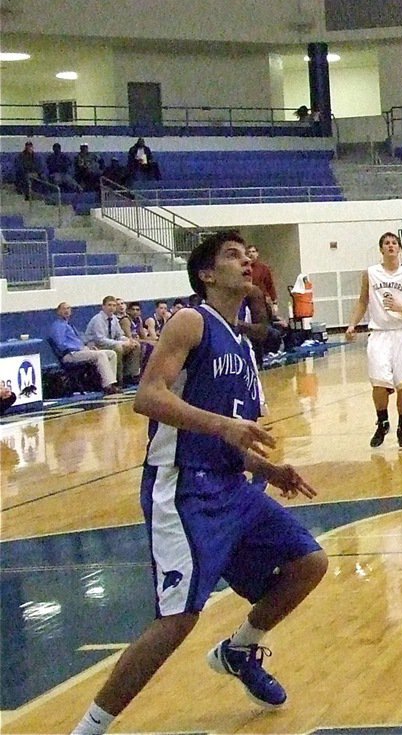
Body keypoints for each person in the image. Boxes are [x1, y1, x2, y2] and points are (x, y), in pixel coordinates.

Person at [69, 231, 327, 735]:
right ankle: (89, 728)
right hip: (184, 490)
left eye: (248, 254)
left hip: (233, 485)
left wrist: (266, 470)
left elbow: (229, 432)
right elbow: (147, 397)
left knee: (308, 563)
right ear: (207, 274)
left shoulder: (242, 344)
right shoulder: (192, 321)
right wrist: (223, 426)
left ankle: (239, 649)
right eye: (233, 255)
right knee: (178, 618)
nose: (247, 261)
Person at [345, 232, 402, 450]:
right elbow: (363, 301)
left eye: (394, 243)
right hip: (379, 333)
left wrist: (401, 308)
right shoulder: (370, 274)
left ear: (399, 249)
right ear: (381, 249)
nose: (390, 246)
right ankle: (382, 422)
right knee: (379, 383)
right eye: (386, 243)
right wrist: (352, 324)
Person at [47, 302, 121, 395]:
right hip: (70, 354)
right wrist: (81, 348)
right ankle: (107, 386)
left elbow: (81, 340)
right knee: (100, 355)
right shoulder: (58, 326)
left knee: (111, 353)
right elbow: (61, 344)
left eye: (68, 308)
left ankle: (111, 382)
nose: (66, 311)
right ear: (58, 312)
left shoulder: (70, 325)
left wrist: (88, 346)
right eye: (64, 309)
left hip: (80, 351)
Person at [83, 295, 142, 384]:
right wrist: (121, 343)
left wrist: (128, 340)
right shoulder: (98, 319)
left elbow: (119, 335)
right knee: (118, 348)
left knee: (135, 345)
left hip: (109, 343)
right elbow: (100, 340)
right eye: (109, 305)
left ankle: (130, 375)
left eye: (114, 305)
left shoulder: (114, 319)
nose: (112, 308)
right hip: (95, 346)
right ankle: (118, 379)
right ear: (103, 307)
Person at [246, 245, 279, 318]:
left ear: (257, 254)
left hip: (262, 301)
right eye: (249, 252)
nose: (251, 254)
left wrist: (274, 302)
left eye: (253, 252)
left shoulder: (263, 268)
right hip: (247, 300)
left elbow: (270, 285)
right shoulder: (244, 268)